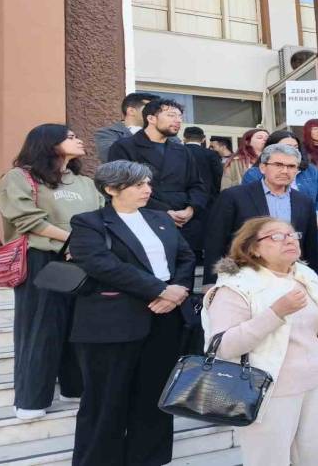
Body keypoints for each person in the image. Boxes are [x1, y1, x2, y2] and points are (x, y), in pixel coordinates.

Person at [68, 161, 194, 466]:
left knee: (155, 396)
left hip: (165, 318)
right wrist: (159, 290)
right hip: (113, 321)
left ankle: (149, 459)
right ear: (111, 189)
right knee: (105, 400)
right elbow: (102, 264)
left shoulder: (159, 218)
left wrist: (178, 291)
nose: (147, 190)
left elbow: (185, 256)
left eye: (148, 183)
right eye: (138, 185)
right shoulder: (89, 222)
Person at [203, 217, 318, 465]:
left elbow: (301, 328)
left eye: (292, 235)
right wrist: (276, 312)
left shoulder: (304, 274)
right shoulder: (236, 285)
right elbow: (223, 346)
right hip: (267, 391)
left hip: (316, 383)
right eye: (276, 236)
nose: (289, 240)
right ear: (253, 248)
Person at [0, 124, 102, 420]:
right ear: (48, 143)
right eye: (70, 137)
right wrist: (71, 240)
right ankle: (31, 399)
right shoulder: (20, 177)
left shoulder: (85, 182)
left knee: (78, 326)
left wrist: (83, 246)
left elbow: (99, 218)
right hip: (41, 259)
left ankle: (74, 388)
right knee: (40, 328)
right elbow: (27, 219)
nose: (78, 140)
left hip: (82, 259)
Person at [205, 144, 318, 282]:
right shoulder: (234, 196)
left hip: (290, 277)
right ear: (263, 167)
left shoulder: (304, 202)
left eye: (291, 166)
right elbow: (215, 240)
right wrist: (210, 281)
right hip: (244, 276)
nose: (285, 171)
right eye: (278, 165)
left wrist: (313, 280)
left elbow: (310, 246)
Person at [108, 99, 207, 255]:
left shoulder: (183, 151)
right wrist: (164, 212)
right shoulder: (124, 147)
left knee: (184, 266)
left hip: (183, 224)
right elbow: (122, 186)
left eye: (180, 117)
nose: (178, 121)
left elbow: (197, 185)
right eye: (171, 115)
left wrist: (191, 209)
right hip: (142, 221)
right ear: (151, 118)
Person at [243, 131, 318, 245]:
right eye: (287, 146)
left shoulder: (310, 170)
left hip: (310, 232)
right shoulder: (254, 174)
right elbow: (251, 206)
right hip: (269, 237)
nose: (292, 150)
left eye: (295, 147)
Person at [94, 92, 160, 163]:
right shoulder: (107, 133)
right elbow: (112, 157)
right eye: (149, 109)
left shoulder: (161, 133)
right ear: (131, 111)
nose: (155, 113)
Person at [183, 126, 224, 208]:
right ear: (203, 139)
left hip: (182, 198)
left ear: (184, 138)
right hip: (207, 198)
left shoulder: (177, 152)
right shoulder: (211, 154)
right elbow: (218, 175)